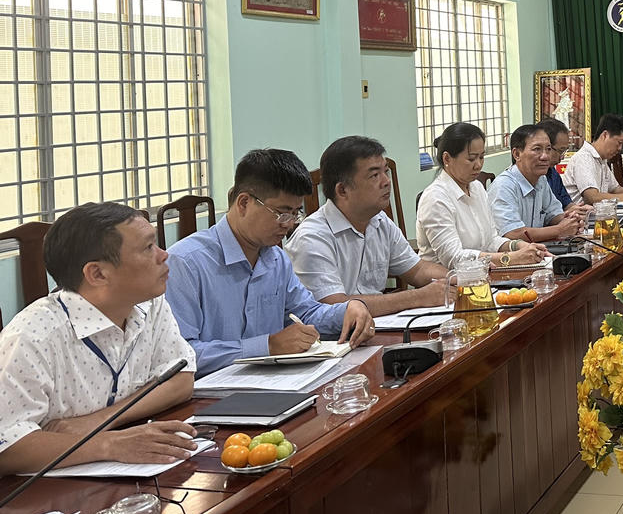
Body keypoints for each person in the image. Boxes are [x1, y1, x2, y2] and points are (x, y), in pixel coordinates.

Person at [0, 203, 198, 474]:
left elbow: (181, 377)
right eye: (147, 247)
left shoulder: (149, 304)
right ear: (97, 274)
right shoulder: (33, 336)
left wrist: (100, 420)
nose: (163, 255)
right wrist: (107, 444)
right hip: (48, 497)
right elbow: (7, 448)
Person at [165, 149, 375, 374]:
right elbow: (181, 355)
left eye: (296, 213)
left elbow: (306, 313)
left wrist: (348, 311)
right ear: (244, 203)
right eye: (282, 213)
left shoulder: (275, 259)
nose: (289, 224)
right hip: (207, 396)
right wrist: (267, 346)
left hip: (273, 384)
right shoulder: (185, 263)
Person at [285, 135, 448, 316]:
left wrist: (460, 277)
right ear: (342, 190)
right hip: (337, 338)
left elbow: (417, 270)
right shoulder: (312, 238)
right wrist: (416, 297)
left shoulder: (379, 221)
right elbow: (334, 305)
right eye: (374, 175)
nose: (386, 181)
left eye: (385, 171)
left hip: (378, 327)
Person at [416, 122, 547, 270]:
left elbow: (491, 240)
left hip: (482, 276)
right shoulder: (435, 198)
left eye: (481, 157)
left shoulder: (476, 187)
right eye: (471, 159)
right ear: (447, 159)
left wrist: (517, 245)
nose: (478, 165)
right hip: (445, 283)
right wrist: (510, 258)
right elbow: (454, 257)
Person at [490, 125, 588, 243]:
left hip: (536, 250)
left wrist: (572, 221)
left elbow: (554, 214)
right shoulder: (504, 185)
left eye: (548, 149)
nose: (545, 156)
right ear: (517, 154)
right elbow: (512, 233)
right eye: (537, 149)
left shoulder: (541, 179)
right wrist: (559, 230)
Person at [561, 113, 623, 205]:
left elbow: (615, 189)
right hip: (581, 217)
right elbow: (592, 198)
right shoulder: (584, 158)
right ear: (605, 135)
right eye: (619, 142)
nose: (620, 148)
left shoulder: (601, 159)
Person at [538, 117, 581, 210]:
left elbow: (566, 203)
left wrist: (578, 210)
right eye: (561, 151)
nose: (562, 157)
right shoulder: (513, 182)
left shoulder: (552, 173)